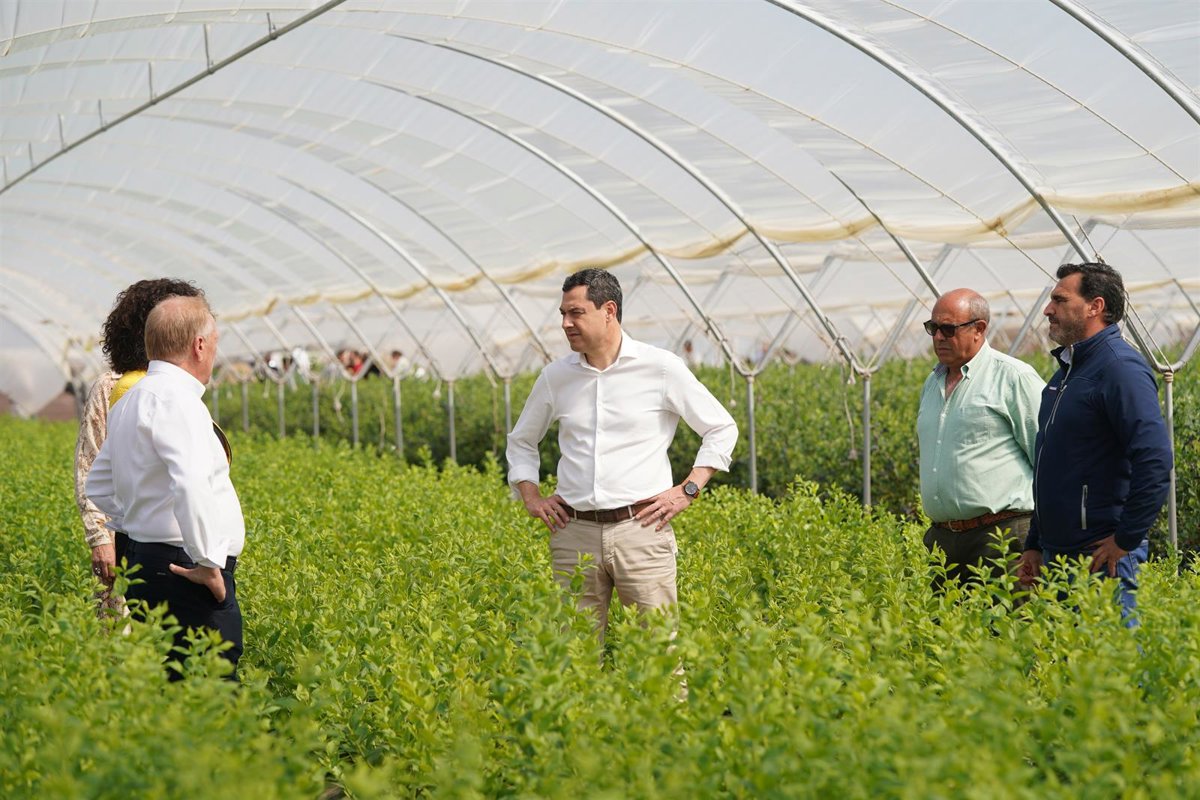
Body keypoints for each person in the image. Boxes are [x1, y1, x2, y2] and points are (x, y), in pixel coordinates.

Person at [506, 268, 738, 638]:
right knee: (574, 653)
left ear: (609, 310)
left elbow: (721, 427)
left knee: (656, 651)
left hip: (642, 531)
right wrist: (530, 496)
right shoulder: (556, 377)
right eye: (563, 314)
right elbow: (521, 440)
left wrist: (688, 489)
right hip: (574, 533)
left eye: (576, 313)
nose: (565, 323)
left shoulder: (660, 368)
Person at [86, 294, 246, 679]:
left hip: (148, 561)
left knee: (171, 680)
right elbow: (191, 483)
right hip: (186, 569)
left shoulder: (130, 400)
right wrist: (208, 564)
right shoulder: (178, 402)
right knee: (211, 682)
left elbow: (99, 484)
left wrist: (139, 519)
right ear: (199, 345)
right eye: (215, 343)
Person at [1017, 263, 1173, 616]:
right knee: (1067, 651)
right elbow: (1052, 467)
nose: (1048, 310)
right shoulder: (1066, 375)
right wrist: (1035, 543)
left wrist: (1125, 539)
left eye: (1059, 300)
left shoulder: (1120, 369)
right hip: (1058, 555)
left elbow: (1154, 459)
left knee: (1110, 650)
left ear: (1095, 306)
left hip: (1100, 557)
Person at [75, 278, 202, 618]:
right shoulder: (113, 386)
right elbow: (89, 465)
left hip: (178, 542)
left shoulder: (182, 387)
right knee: (122, 625)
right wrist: (100, 539)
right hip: (127, 538)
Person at [917, 289, 1045, 590]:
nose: (938, 337)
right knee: (945, 620)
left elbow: (1048, 459)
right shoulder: (932, 382)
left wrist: (1041, 539)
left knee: (1010, 617)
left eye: (948, 329)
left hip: (1003, 537)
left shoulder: (1013, 377)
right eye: (933, 328)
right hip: (943, 540)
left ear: (979, 329)